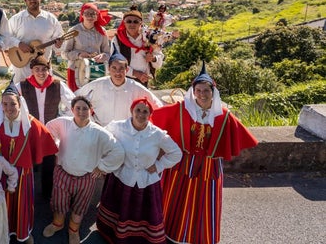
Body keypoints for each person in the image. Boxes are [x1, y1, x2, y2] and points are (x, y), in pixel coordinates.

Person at [150, 63, 258, 244]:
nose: (202, 94)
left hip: (209, 166)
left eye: (206, 90)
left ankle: (201, 237)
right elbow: (153, 115)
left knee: (205, 203)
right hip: (181, 164)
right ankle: (172, 234)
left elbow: (242, 136)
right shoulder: (182, 110)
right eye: (198, 90)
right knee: (176, 199)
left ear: (213, 92)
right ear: (193, 91)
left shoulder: (223, 116)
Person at [0, 85, 59, 244]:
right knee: (0, 204)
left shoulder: (30, 123)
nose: (8, 108)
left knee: (23, 204)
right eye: (5, 104)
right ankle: (1, 234)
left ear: (20, 104)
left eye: (13, 104)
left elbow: (47, 139)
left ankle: (24, 233)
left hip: (23, 173)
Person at [96, 98, 182, 244]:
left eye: (145, 111)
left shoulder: (157, 134)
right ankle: (112, 233)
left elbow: (176, 153)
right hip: (121, 177)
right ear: (131, 111)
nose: (141, 114)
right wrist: (107, 163)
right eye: (138, 110)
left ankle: (142, 238)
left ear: (150, 114)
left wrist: (159, 166)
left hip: (147, 180)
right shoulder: (117, 127)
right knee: (117, 210)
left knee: (146, 214)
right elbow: (101, 141)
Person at [44, 96, 124, 244]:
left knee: (80, 206)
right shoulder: (62, 123)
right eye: (78, 108)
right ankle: (58, 224)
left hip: (86, 177)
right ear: (72, 110)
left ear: (91, 110)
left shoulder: (99, 132)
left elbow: (118, 151)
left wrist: (102, 167)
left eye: (85, 108)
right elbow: (48, 128)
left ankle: (73, 230)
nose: (81, 111)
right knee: (59, 202)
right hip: (63, 172)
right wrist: (56, 146)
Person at [17, 54, 75, 201]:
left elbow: (72, 103)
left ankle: (47, 195)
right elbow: (9, 102)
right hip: (31, 130)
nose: (41, 73)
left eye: (44, 69)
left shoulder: (57, 85)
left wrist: (63, 120)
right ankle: (26, 193)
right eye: (37, 69)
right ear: (32, 70)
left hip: (50, 132)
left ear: (48, 70)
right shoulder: (22, 85)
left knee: (49, 163)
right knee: (28, 163)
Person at [75, 47, 163, 127]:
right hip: (101, 131)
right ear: (109, 69)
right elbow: (74, 99)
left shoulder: (135, 87)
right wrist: (90, 122)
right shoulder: (97, 85)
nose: (118, 72)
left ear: (127, 70)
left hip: (126, 133)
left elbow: (157, 105)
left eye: (121, 69)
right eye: (114, 68)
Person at [7, 0, 65, 84]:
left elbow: (59, 41)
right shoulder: (16, 19)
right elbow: (6, 37)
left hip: (44, 69)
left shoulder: (51, 19)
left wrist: (59, 44)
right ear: (25, 0)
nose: (32, 0)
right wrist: (19, 44)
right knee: (21, 96)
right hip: (22, 69)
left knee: (45, 97)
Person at [62, 2, 112, 91]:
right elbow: (64, 53)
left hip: (96, 72)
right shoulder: (73, 31)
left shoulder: (102, 32)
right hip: (76, 72)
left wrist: (103, 56)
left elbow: (108, 53)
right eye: (87, 13)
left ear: (97, 16)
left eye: (93, 14)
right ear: (82, 15)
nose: (90, 16)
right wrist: (79, 54)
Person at [112, 5, 164, 86]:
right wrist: (135, 73)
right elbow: (114, 62)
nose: (132, 24)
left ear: (141, 23)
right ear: (124, 23)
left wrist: (153, 59)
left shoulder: (150, 37)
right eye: (129, 21)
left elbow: (159, 62)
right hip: (123, 80)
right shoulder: (118, 40)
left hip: (143, 80)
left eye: (135, 21)